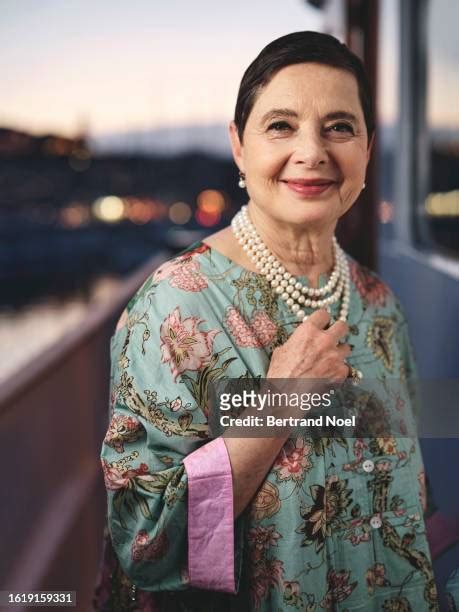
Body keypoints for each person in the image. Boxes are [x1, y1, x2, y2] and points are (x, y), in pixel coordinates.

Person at [95, 31, 439, 611]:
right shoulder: (175, 306)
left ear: (367, 148)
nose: (313, 152)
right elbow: (144, 542)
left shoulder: (379, 302)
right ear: (238, 145)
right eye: (281, 126)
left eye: (340, 127)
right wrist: (279, 401)